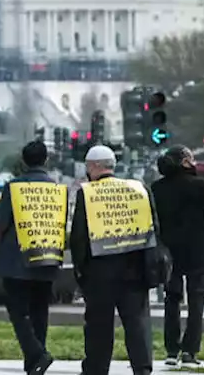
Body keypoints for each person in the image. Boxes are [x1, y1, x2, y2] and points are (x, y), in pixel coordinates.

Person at [71, 145, 157, 375]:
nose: (87, 171)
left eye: (88, 166)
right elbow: (153, 231)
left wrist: (80, 271)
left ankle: (96, 369)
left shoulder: (87, 193)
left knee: (99, 327)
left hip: (99, 275)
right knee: (137, 324)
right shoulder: (139, 189)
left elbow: (78, 237)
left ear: (95, 166)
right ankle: (143, 368)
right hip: (135, 272)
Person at [150, 145, 204, 367]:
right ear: (185, 162)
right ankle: (190, 352)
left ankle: (171, 351)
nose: (195, 161)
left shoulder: (156, 189)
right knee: (196, 304)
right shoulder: (200, 186)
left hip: (169, 254)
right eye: (191, 158)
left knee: (172, 301)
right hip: (196, 253)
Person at [0, 140, 64, 375]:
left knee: (17, 311)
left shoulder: (13, 187)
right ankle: (35, 360)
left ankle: (36, 354)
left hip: (16, 260)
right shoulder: (56, 188)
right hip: (47, 256)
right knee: (40, 311)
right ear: (46, 160)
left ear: (24, 161)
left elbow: (1, 223)